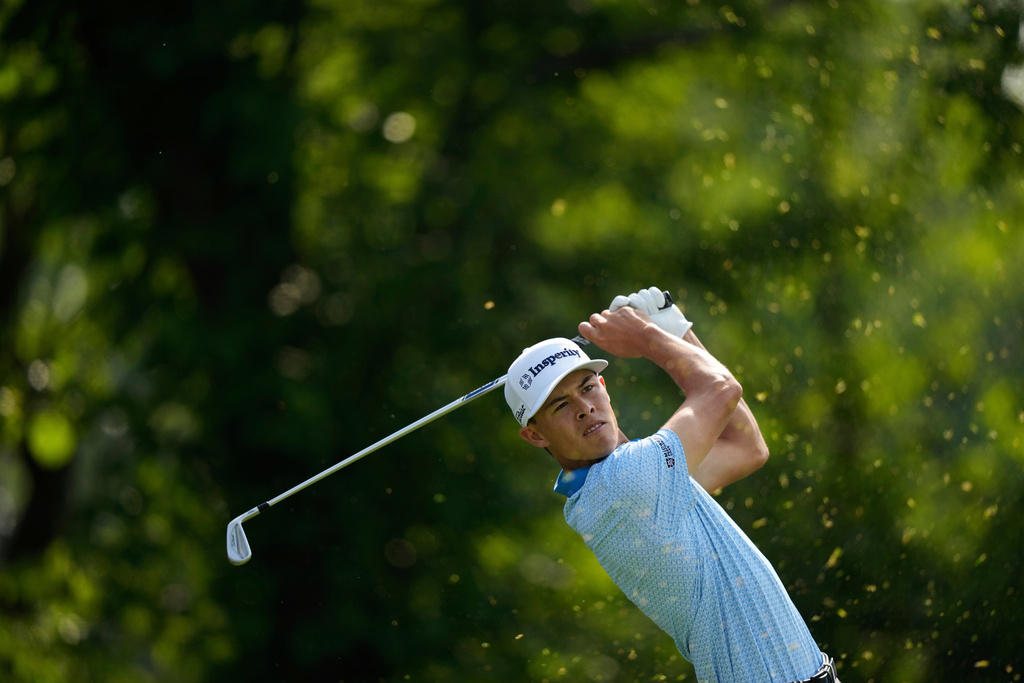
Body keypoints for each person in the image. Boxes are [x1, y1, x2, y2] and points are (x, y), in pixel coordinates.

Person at [504, 287, 839, 683]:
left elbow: (746, 447)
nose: (584, 409)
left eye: (588, 387)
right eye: (560, 406)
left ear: (604, 389)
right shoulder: (625, 482)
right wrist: (648, 335)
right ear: (536, 436)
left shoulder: (633, 486)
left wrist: (676, 330)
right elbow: (721, 389)